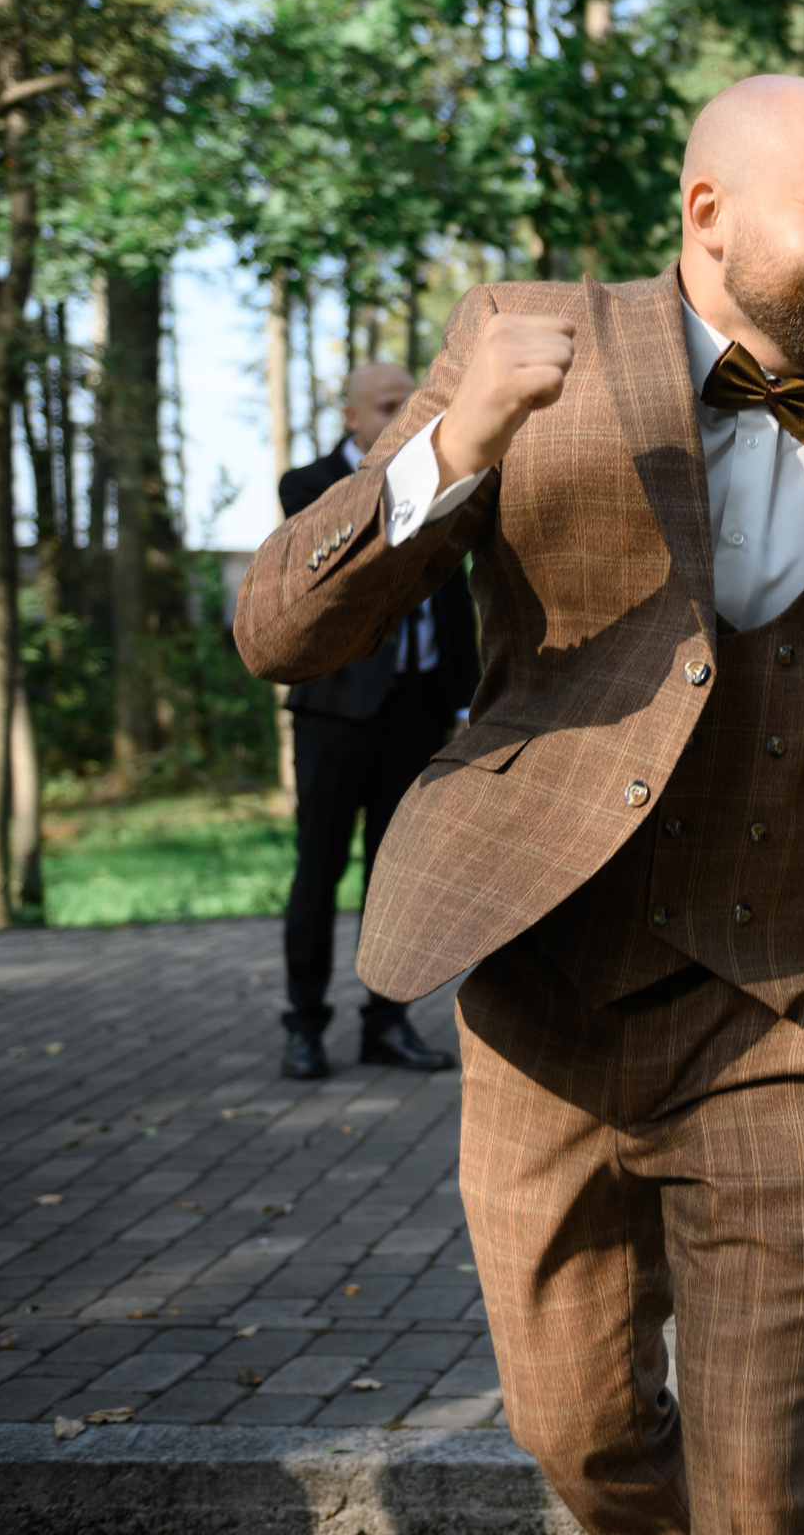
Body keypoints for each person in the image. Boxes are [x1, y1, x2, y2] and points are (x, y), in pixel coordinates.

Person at [234, 75, 804, 1535]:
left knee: (761, 1491)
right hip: (545, 993)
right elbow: (280, 628)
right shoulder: (525, 342)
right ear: (709, 214)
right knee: (576, 1440)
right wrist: (456, 450)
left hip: (797, 1005)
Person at [274, 363, 479, 1081]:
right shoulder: (308, 486)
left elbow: (454, 604)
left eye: (409, 404)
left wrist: (465, 701)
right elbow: (341, 568)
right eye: (388, 405)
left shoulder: (448, 477)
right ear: (352, 414)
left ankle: (385, 1026)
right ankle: (304, 1026)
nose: (402, 414)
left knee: (393, 879)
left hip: (417, 712)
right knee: (319, 870)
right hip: (336, 712)